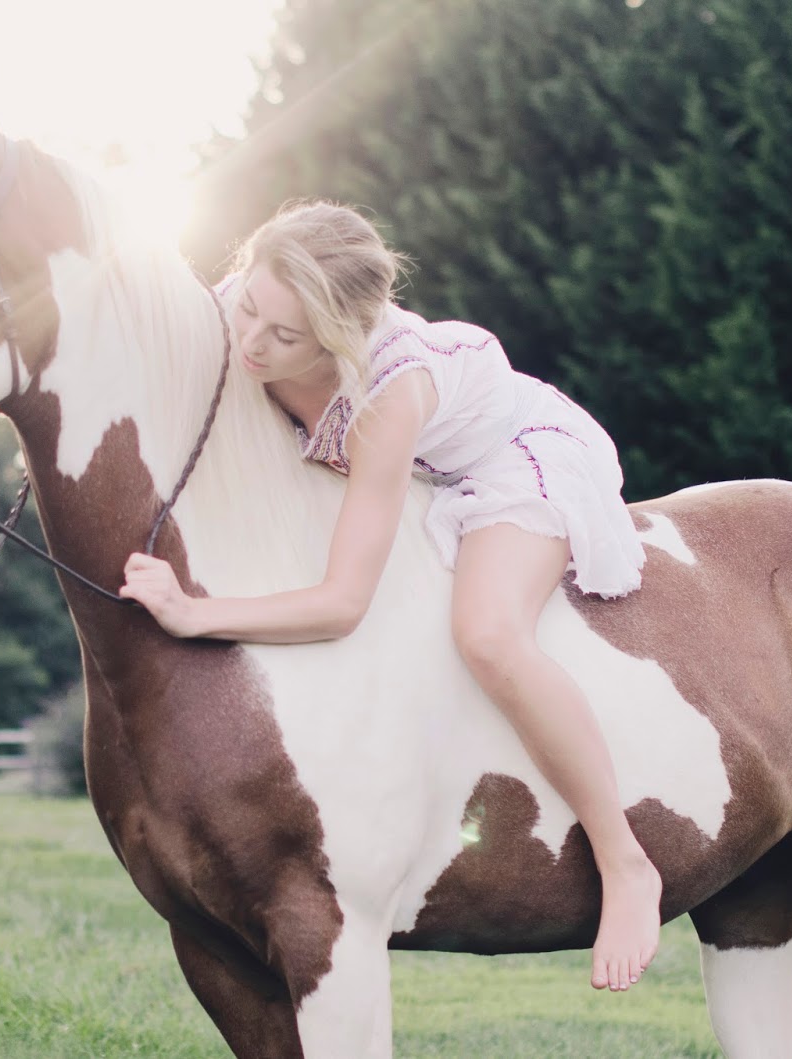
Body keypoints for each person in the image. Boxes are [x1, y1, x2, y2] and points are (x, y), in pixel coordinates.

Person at [118, 201, 659, 992]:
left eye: (286, 336)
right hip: (429, 465)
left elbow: (343, 603)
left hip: (514, 455)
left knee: (490, 634)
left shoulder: (386, 397)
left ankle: (626, 861)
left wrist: (196, 613)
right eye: (250, 308)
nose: (252, 341)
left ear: (337, 337)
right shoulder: (247, 304)